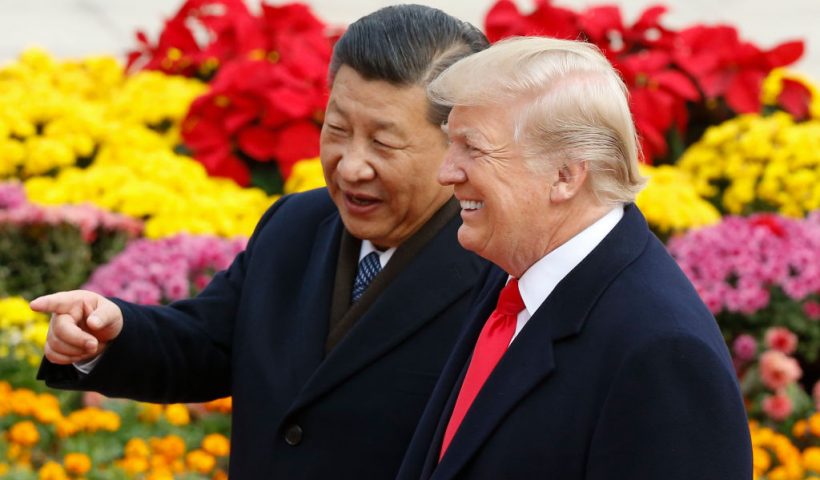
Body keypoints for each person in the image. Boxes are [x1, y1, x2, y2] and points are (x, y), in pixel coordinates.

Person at [31, 6, 489, 479]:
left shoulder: (497, 266)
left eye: (384, 143)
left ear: (459, 144)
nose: (351, 166)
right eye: (337, 130)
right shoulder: (297, 224)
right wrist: (111, 333)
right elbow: (208, 342)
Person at [397, 36, 753, 479]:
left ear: (565, 175)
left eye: (473, 148)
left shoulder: (662, 352)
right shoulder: (513, 270)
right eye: (452, 144)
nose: (445, 172)